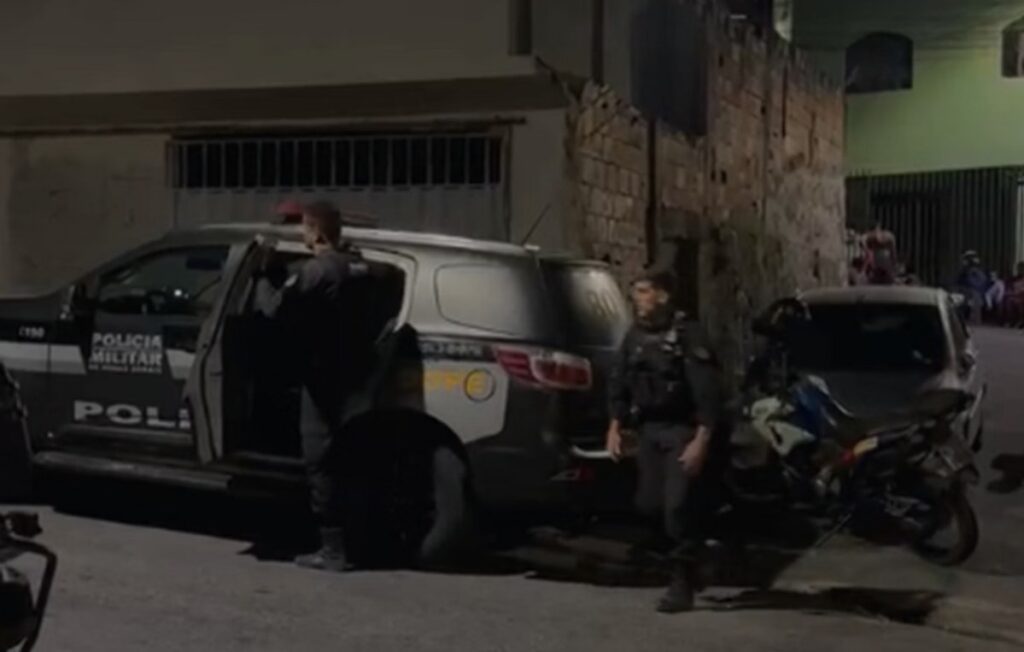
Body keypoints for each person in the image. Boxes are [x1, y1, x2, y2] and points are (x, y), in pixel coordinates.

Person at [254, 200, 374, 572]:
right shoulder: (362, 266)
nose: (303, 235)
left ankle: (333, 549)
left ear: (315, 231)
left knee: (320, 459)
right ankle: (359, 540)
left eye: (305, 229)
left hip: (323, 379)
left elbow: (273, 310)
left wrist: (263, 273)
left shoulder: (316, 271)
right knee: (350, 458)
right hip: (359, 377)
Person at [606, 270, 722, 614]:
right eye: (636, 291)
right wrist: (614, 426)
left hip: (682, 431)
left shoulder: (687, 335)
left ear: (662, 296)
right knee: (649, 505)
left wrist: (701, 440)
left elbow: (707, 393)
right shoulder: (635, 337)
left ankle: (682, 582)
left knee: (676, 508)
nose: (637, 299)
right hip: (649, 430)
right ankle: (699, 556)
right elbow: (619, 382)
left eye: (644, 291)